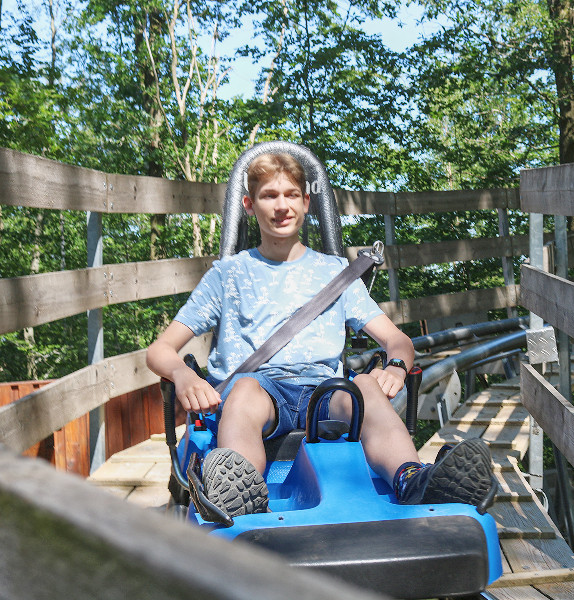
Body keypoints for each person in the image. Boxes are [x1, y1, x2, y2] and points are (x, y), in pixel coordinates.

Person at [146, 152, 494, 517]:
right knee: (246, 393)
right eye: (269, 196)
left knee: (364, 388)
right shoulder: (227, 275)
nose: (281, 206)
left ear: (306, 202)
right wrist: (183, 375)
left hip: (323, 391)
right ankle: (241, 496)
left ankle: (413, 480)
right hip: (258, 389)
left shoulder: (336, 273)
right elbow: (161, 351)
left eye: (291, 195)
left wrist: (393, 368)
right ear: (249, 205)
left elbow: (398, 342)